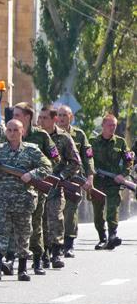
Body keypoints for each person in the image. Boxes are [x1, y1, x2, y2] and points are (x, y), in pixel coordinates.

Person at [0, 119, 52, 283]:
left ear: (22, 132)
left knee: (23, 235)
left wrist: (32, 174)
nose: (12, 133)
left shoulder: (31, 150)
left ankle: (22, 269)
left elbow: (47, 166)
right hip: (2, 199)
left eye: (15, 130)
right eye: (9, 130)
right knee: (0, 233)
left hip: (24, 200)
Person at [12, 103, 58, 276]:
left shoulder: (41, 136)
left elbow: (54, 159)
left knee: (36, 224)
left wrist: (36, 174)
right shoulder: (9, 132)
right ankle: (11, 259)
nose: (14, 118)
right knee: (12, 225)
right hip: (13, 188)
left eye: (17, 115)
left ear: (27, 117)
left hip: (35, 188)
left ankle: (38, 259)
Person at [37, 107, 81, 269]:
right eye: (39, 118)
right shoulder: (34, 136)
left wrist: (62, 176)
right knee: (40, 223)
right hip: (36, 187)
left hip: (55, 187)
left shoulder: (64, 138)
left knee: (55, 219)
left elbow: (76, 162)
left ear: (54, 119)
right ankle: (43, 254)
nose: (41, 121)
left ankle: (56, 253)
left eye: (45, 118)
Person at [90, 114, 133, 250]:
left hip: (114, 182)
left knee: (112, 208)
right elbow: (87, 160)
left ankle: (112, 236)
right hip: (97, 181)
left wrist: (123, 174)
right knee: (98, 211)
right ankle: (102, 237)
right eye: (109, 125)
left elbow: (129, 160)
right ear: (103, 125)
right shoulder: (93, 142)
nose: (112, 128)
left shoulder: (120, 142)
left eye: (114, 125)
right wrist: (89, 173)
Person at [56, 105, 93, 257]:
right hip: (55, 178)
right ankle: (54, 244)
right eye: (59, 115)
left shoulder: (79, 134)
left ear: (71, 117)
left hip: (73, 178)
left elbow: (87, 157)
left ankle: (69, 244)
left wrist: (90, 176)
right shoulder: (50, 134)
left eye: (65, 115)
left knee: (70, 210)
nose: (62, 118)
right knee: (55, 211)